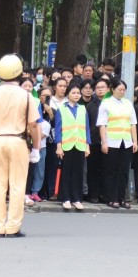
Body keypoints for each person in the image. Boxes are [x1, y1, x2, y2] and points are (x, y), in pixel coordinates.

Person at [0, 54, 42, 238]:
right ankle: (13, 227)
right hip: (18, 141)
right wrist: (37, 148)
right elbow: (33, 124)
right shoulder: (26, 95)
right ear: (18, 72)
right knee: (17, 185)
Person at [97, 78, 138, 209]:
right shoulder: (106, 103)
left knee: (124, 171)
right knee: (111, 171)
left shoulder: (128, 103)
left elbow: (133, 124)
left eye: (124, 90)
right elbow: (102, 124)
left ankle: (122, 198)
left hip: (126, 141)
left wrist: (134, 141)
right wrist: (104, 142)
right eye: (119, 89)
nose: (122, 92)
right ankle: (111, 198)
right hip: (112, 141)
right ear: (112, 89)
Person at [53, 82, 90, 211]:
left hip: (79, 144)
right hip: (67, 144)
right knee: (66, 172)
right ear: (67, 94)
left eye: (78, 93)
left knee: (78, 173)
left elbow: (86, 129)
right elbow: (58, 129)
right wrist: (59, 146)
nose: (76, 95)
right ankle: (66, 198)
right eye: (73, 93)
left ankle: (77, 198)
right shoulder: (61, 109)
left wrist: (87, 145)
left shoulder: (82, 109)